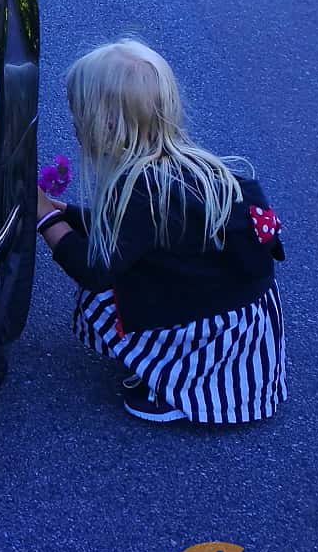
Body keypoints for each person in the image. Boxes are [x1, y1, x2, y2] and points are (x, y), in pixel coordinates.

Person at [35, 39, 286, 424]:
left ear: (107, 124)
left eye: (77, 114)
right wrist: (68, 212)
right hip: (233, 296)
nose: (72, 123)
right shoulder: (175, 167)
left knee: (103, 294)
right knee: (119, 285)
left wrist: (45, 219)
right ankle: (170, 356)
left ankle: (184, 387)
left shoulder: (142, 190)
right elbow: (135, 232)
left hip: (221, 320)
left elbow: (93, 267)